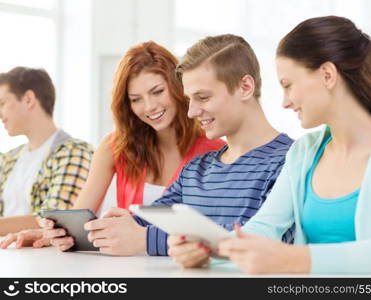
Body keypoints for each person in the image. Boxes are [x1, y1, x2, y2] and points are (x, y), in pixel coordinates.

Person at [33, 34, 294, 257]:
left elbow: (264, 240)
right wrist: (88, 232)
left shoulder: (291, 161)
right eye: (190, 99)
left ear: (245, 87)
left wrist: (146, 240)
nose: (191, 112)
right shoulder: (195, 170)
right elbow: (143, 221)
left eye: (202, 97)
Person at [211, 16, 371, 275]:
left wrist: (295, 260)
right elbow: (263, 227)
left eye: (288, 85)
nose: (285, 102)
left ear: (327, 75)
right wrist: (210, 251)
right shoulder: (304, 152)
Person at [0, 41, 224, 249]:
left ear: (178, 87)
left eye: (157, 92)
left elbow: (213, 231)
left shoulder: (215, 151)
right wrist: (46, 235)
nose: (149, 106)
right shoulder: (115, 146)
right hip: (125, 267)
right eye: (136, 99)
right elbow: (77, 219)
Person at [0, 67, 94, 236]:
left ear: (29, 99)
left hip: (43, 258)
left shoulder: (74, 152)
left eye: (2, 103)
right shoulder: (8, 159)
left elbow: (55, 220)